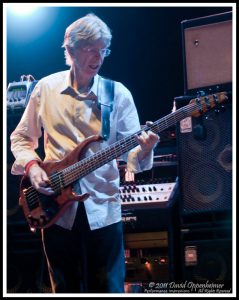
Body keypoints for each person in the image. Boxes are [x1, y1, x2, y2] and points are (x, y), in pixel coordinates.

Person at [10, 13, 159, 293]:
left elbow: (132, 157)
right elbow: (20, 138)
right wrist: (33, 167)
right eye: (91, 49)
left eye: (103, 50)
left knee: (108, 289)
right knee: (65, 288)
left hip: (103, 208)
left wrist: (145, 148)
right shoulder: (45, 89)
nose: (98, 57)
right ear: (70, 50)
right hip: (54, 209)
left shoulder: (119, 94)